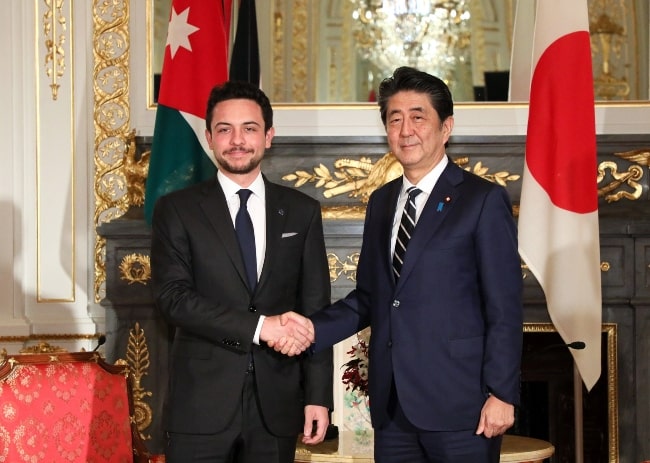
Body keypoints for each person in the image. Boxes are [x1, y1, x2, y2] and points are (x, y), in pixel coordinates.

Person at [274, 66, 523, 462]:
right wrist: (309, 329)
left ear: (446, 127)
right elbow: (372, 297)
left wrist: (502, 393)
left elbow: (505, 307)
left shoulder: (482, 200)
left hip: (463, 410)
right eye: (395, 118)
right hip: (393, 411)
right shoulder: (383, 201)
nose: (406, 129)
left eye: (418, 116)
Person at [150, 80, 333, 463]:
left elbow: (315, 308)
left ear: (268, 136)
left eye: (249, 128)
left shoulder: (302, 210)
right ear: (209, 137)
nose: (237, 140)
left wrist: (318, 397)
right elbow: (173, 299)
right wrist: (260, 327)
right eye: (224, 129)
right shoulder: (177, 209)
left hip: (277, 408)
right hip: (199, 407)